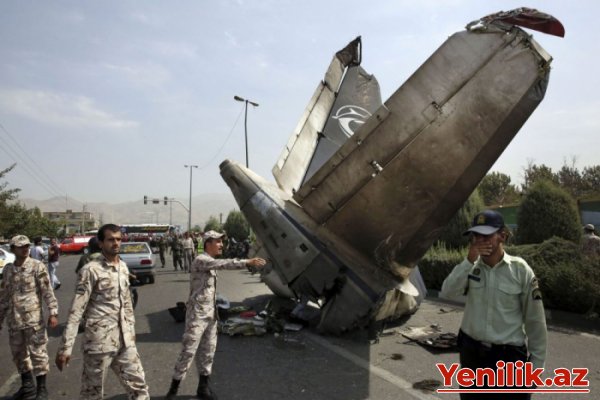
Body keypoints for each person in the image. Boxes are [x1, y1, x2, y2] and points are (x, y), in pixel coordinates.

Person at [440, 210, 547, 399]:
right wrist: (468, 260)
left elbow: (535, 322)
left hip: (508, 360)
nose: (480, 241)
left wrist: (536, 368)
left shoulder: (520, 270)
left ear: (502, 236)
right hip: (472, 355)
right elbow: (447, 292)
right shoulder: (470, 267)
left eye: (486, 235)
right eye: (476, 236)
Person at [165, 230, 266, 400]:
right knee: (188, 352)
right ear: (208, 243)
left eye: (221, 242)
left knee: (208, 351)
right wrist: (247, 261)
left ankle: (203, 388)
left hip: (211, 314)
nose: (222, 245)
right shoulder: (201, 260)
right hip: (197, 315)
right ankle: (173, 391)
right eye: (218, 242)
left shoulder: (209, 261)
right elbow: (223, 264)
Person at [55, 224, 149, 400]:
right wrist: (65, 348)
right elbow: (77, 310)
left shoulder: (122, 267)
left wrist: (131, 330)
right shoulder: (90, 270)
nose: (116, 243)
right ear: (100, 243)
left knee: (140, 389)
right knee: (92, 394)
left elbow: (127, 303)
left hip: (124, 341)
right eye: (111, 239)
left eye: (119, 239)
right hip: (99, 344)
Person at [0, 235, 58, 400]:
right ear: (12, 249)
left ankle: (41, 389)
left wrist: (53, 312)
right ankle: (27, 387)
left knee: (38, 353)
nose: (25, 249)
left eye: (26, 246)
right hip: (14, 321)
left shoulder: (36, 266)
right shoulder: (8, 269)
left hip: (33, 320)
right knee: (19, 354)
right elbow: (4, 296)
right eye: (21, 246)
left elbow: (47, 290)